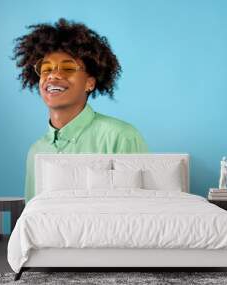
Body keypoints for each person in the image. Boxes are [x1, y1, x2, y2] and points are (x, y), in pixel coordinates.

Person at [12, 18, 149, 202]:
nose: (53, 75)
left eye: (68, 68)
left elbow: (138, 214)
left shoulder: (121, 138)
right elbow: (33, 218)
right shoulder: (36, 151)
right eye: (46, 69)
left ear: (89, 83)